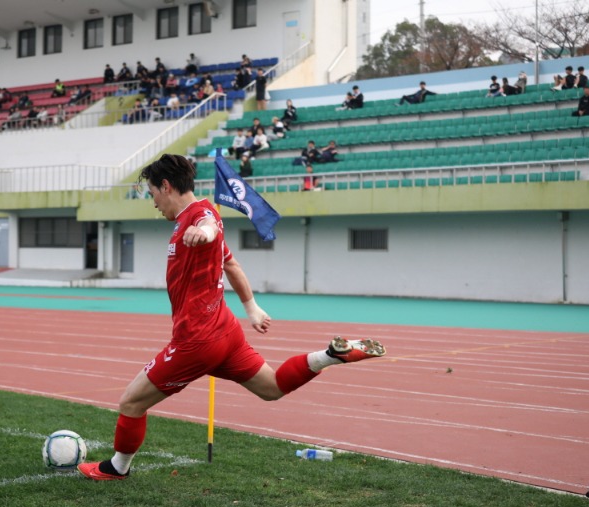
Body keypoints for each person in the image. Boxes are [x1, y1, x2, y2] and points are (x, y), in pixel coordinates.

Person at [76, 154, 386, 481]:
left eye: (152, 193)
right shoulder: (190, 218)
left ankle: (116, 468)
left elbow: (209, 224)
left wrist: (206, 233)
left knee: (131, 403)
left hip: (197, 340)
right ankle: (330, 356)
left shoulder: (200, 215)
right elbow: (232, 265)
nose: (153, 203)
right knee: (273, 388)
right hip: (226, 332)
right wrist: (251, 308)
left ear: (166, 186)